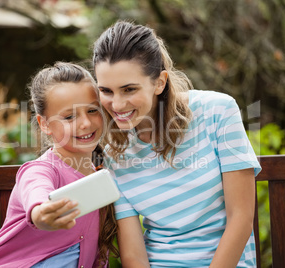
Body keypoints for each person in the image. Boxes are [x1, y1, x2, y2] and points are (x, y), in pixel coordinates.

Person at [92, 21, 261, 268]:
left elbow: (241, 219)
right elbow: (134, 256)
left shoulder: (217, 111)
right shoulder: (113, 155)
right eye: (106, 91)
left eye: (129, 89)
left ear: (159, 82)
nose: (116, 105)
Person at [0, 62, 118, 268]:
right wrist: (41, 213)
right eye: (69, 116)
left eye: (92, 110)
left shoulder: (102, 174)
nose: (85, 123)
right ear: (44, 124)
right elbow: (36, 191)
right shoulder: (41, 170)